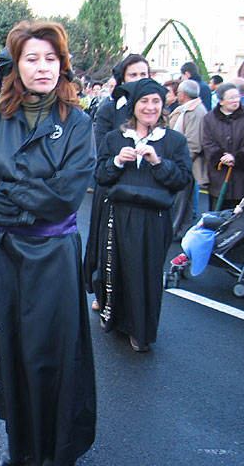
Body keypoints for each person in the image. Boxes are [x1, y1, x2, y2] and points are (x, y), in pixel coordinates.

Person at [0, 20, 96, 466]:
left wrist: (13, 190)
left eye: (50, 58)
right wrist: (27, 204)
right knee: (13, 352)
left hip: (55, 256)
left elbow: (66, 196)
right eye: (31, 58)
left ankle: (56, 449)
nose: (42, 67)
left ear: (62, 64)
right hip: (5, 254)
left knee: (54, 355)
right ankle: (19, 446)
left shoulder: (78, 123)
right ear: (16, 65)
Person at [89, 78, 192, 352]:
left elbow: (182, 179)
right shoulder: (114, 139)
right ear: (133, 107)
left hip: (153, 220)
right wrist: (116, 161)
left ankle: (141, 331)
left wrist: (158, 162)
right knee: (116, 271)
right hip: (117, 216)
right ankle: (115, 319)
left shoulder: (174, 141)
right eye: (144, 101)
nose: (150, 107)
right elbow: (100, 176)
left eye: (156, 101)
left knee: (145, 275)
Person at [88, 53, 151, 310]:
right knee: (107, 244)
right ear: (122, 78)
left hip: (145, 188)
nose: (137, 80)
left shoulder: (153, 107)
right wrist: (119, 157)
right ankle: (102, 290)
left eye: (142, 75)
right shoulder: (109, 108)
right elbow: (101, 148)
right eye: (132, 75)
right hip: (112, 184)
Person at [202, 82, 244, 210]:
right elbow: (208, 143)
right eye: (231, 98)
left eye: (237, 96)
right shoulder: (209, 119)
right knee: (217, 215)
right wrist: (221, 157)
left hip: (242, 178)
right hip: (219, 176)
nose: (235, 100)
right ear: (221, 101)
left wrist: (236, 158)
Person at [169, 79, 208, 240]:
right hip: (182, 162)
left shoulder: (196, 112)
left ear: (183, 94)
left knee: (180, 201)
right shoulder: (187, 109)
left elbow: (193, 144)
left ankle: (174, 230)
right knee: (184, 202)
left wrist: (178, 162)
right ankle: (182, 230)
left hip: (185, 164)